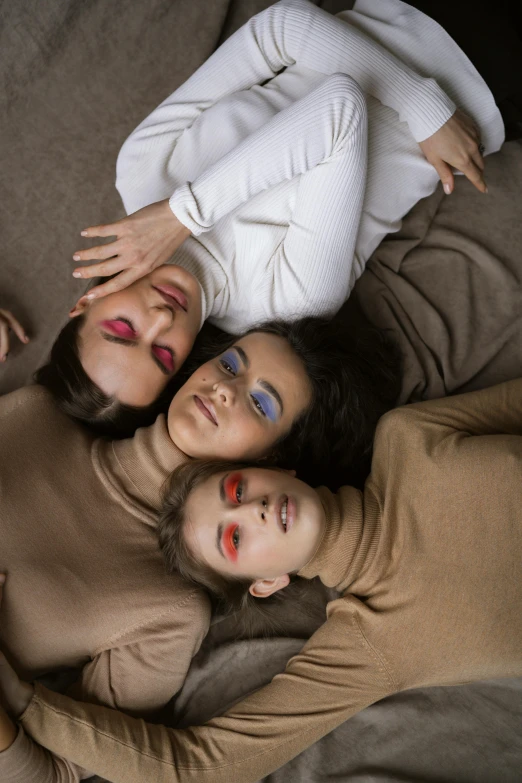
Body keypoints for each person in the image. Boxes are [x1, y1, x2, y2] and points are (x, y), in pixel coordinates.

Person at [1, 378, 520, 783]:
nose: (253, 510)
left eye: (237, 488)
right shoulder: (372, 644)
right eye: (234, 540)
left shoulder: (409, 435)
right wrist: (21, 698)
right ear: (267, 582)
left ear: (280, 472)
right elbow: (199, 767)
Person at [40, 0, 501, 426]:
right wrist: (182, 215)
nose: (161, 319)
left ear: (88, 302)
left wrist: (425, 109)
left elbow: (280, 27)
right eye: (163, 355)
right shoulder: (282, 306)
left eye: (124, 328)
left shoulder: (139, 171)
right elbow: (339, 111)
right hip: (492, 77)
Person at [0, 314, 400, 782]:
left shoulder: (169, 612)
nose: (225, 390)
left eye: (260, 403)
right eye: (230, 366)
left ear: (275, 459)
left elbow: (51, 774)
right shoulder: (33, 411)